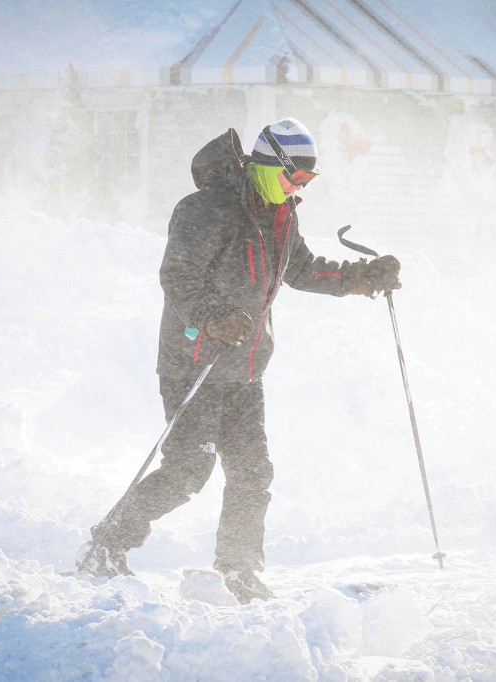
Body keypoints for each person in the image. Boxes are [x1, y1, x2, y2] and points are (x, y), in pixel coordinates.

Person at [78, 117, 401, 603]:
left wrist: (360, 277)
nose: (300, 189)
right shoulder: (206, 209)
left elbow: (300, 268)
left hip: (246, 367)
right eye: (296, 178)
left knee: (252, 472)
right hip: (195, 360)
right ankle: (105, 546)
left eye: (307, 182)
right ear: (269, 166)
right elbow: (178, 275)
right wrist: (213, 317)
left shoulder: (281, 213)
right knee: (189, 471)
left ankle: (239, 570)